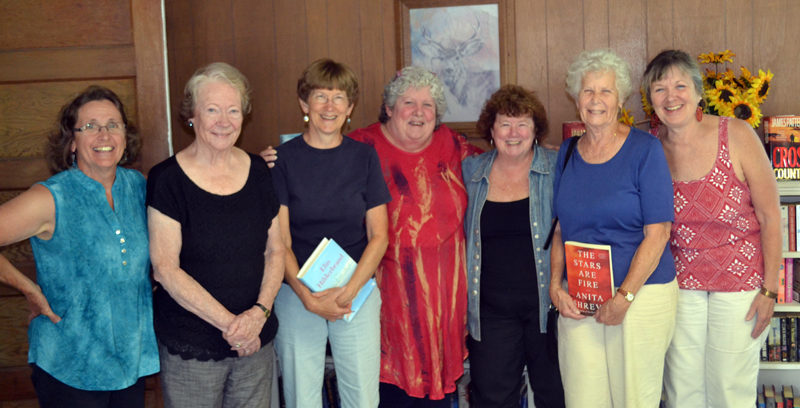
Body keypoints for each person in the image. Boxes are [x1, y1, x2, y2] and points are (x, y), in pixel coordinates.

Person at [0, 85, 159, 407]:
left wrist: (267, 165)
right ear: (71, 141)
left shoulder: (139, 187)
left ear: (125, 137)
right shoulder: (50, 197)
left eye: (113, 125)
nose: (104, 135)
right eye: (90, 127)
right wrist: (28, 288)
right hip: (69, 365)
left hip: (129, 362)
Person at [642, 49, 781, 408]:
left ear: (698, 91)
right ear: (650, 100)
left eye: (679, 86)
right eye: (659, 89)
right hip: (681, 284)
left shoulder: (736, 133)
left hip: (740, 286)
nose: (670, 97)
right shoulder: (649, 148)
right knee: (681, 389)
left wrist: (770, 290)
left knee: (729, 389)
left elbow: (769, 216)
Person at [147, 62, 284, 408]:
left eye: (233, 110)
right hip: (193, 348)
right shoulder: (167, 179)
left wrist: (258, 314)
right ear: (191, 115)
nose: (224, 120)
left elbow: (276, 251)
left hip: (256, 343)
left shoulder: (259, 171)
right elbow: (165, 268)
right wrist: (234, 327)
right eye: (212, 109)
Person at [549, 49, 678, 407]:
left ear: (620, 99)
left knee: (633, 399)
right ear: (576, 100)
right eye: (588, 92)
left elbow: (659, 234)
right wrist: (555, 287)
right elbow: (559, 229)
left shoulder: (646, 150)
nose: (596, 100)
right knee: (583, 400)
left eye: (605, 91)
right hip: (580, 298)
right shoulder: (568, 152)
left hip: (640, 297)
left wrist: (625, 297)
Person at [348, 66, 481, 406]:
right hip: (388, 295)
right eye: (409, 103)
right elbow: (316, 162)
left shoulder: (452, 144)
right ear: (390, 108)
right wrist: (277, 160)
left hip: (446, 297)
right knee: (392, 389)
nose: (419, 112)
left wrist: (551, 156)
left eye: (428, 105)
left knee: (439, 395)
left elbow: (501, 165)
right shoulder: (361, 147)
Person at [271, 58, 390, 408]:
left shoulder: (365, 158)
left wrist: (348, 291)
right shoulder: (281, 160)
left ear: (350, 107)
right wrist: (308, 297)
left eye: (339, 98)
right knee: (301, 397)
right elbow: (281, 242)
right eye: (320, 96)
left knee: (362, 397)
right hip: (297, 292)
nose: (329, 106)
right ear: (304, 104)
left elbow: (379, 235)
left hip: (355, 291)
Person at [462, 85, 566, 407]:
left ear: (535, 129)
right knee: (492, 399)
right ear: (491, 130)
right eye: (505, 123)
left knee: (554, 396)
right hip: (491, 313)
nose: (513, 132)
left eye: (523, 123)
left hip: (547, 308)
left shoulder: (557, 166)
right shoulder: (470, 171)